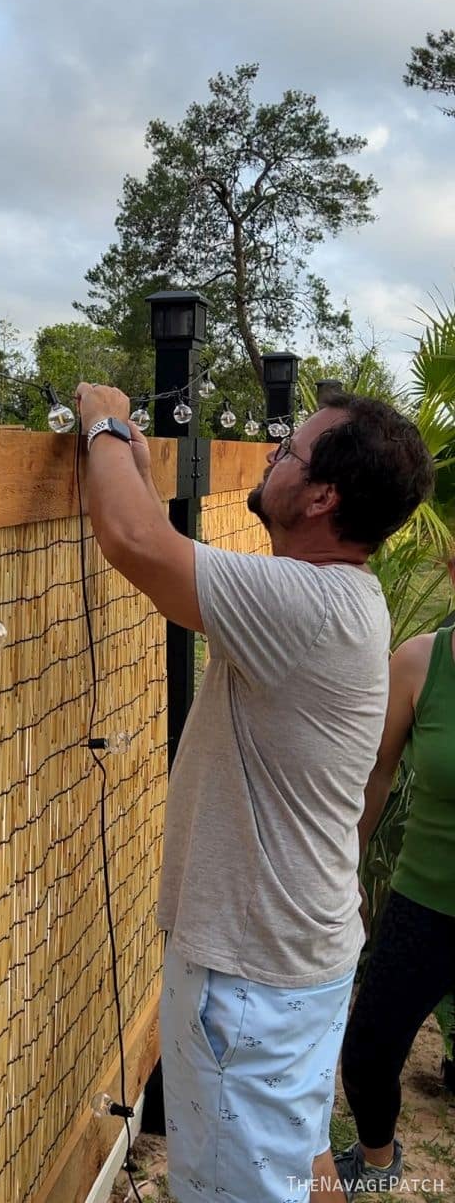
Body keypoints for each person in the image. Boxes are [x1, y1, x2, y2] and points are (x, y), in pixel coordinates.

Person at [73, 384, 434, 1203]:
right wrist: (132, 463)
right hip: (297, 960)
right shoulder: (335, 598)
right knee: (297, 1162)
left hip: (251, 985)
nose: (272, 456)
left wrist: (101, 418)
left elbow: (133, 541)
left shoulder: (306, 607)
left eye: (289, 451)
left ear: (321, 496)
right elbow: (163, 539)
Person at [333, 554, 455, 1199]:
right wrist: (344, 862)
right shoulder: (420, 662)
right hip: (425, 902)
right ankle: (378, 1162)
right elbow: (373, 772)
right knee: (370, 1051)